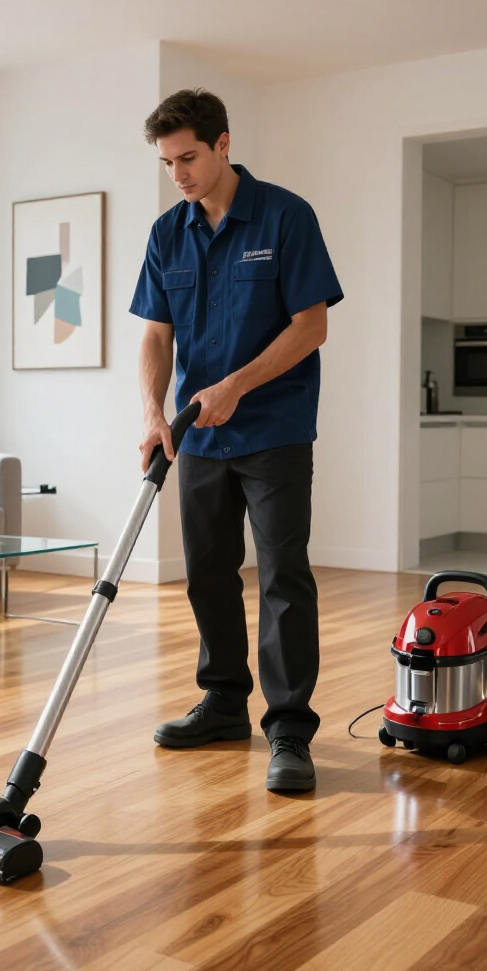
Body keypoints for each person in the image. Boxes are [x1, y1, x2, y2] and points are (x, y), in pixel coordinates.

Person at [130, 88, 343, 792]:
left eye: (188, 157)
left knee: (283, 576)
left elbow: (309, 327)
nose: (180, 174)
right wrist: (154, 414)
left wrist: (236, 387)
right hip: (197, 437)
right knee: (208, 573)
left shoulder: (285, 216)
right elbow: (156, 335)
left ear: (223, 143)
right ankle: (223, 703)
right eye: (167, 163)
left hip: (273, 430)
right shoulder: (169, 233)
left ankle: (288, 728)